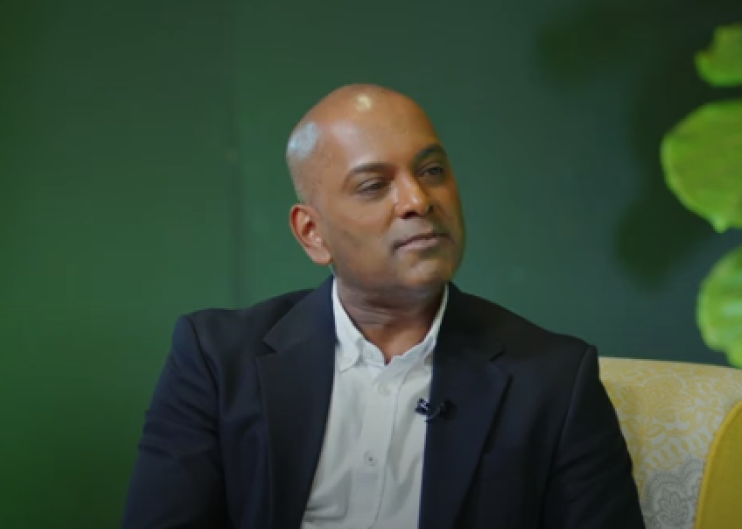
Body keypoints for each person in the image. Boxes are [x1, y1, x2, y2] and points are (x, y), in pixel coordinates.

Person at [122, 84, 645, 529]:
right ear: (312, 233)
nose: (418, 200)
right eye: (374, 186)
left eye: (432, 170)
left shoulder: (553, 379)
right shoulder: (216, 359)